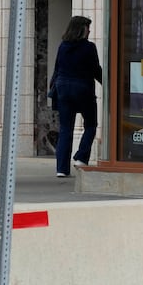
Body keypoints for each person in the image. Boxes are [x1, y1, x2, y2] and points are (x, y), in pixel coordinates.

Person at [50, 15, 102, 178]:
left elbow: (57, 68)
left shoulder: (63, 46)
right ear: (81, 29)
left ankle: (61, 169)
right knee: (91, 125)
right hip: (83, 89)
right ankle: (81, 158)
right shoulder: (89, 47)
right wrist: (109, 84)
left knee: (66, 129)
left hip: (63, 89)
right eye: (88, 27)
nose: (90, 30)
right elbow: (96, 70)